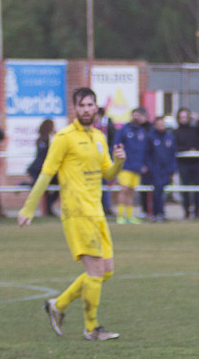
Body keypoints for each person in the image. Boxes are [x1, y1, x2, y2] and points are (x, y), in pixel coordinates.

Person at [18, 87, 127, 341]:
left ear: (96, 107)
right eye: (82, 105)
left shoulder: (99, 137)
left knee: (107, 270)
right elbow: (46, 173)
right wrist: (28, 207)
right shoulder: (64, 138)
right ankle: (92, 329)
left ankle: (58, 305)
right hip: (76, 212)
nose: (87, 109)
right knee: (96, 271)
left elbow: (108, 174)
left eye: (91, 105)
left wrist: (119, 161)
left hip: (97, 212)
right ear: (75, 109)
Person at [114, 107, 151, 224]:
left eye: (139, 115)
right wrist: (118, 162)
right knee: (123, 189)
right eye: (134, 114)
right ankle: (120, 215)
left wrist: (144, 164)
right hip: (126, 165)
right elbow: (117, 145)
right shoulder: (124, 130)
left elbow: (145, 149)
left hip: (137, 166)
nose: (136, 117)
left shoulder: (142, 131)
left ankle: (129, 216)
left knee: (131, 191)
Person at [174, 108, 199, 219]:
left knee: (197, 188)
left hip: (196, 163)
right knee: (185, 188)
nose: (184, 119)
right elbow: (175, 147)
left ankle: (198, 210)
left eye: (186, 117)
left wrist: (198, 120)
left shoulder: (195, 129)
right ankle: (186, 211)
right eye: (181, 117)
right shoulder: (176, 132)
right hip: (183, 164)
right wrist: (188, 150)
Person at [25, 119, 58, 218]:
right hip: (39, 169)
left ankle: (49, 208)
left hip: (46, 169)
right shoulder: (43, 140)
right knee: (40, 187)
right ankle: (48, 209)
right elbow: (44, 155)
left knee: (57, 187)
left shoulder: (47, 139)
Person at [148, 116, 177, 222]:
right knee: (157, 192)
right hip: (156, 170)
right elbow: (148, 154)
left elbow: (173, 154)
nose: (161, 126)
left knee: (164, 192)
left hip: (167, 170)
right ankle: (157, 213)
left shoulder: (170, 137)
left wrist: (173, 169)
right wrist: (150, 167)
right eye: (159, 124)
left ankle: (162, 212)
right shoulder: (151, 137)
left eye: (162, 124)